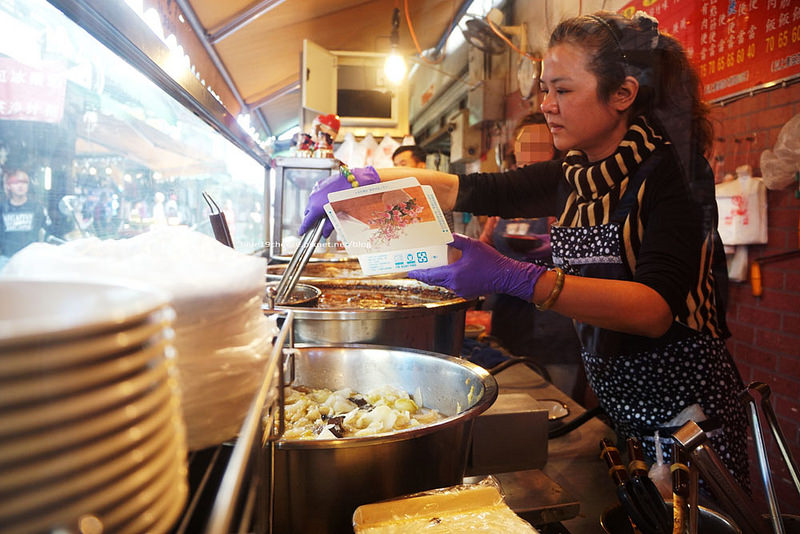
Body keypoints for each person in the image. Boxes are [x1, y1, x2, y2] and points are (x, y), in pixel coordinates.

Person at [299, 11, 750, 491]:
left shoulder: (673, 175)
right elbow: (469, 189)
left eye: (562, 90)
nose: (547, 104)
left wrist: (514, 277)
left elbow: (653, 311)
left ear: (622, 94)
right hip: (622, 405)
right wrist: (362, 183)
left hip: (689, 413)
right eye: (543, 89)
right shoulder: (575, 174)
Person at [479, 112, 584, 401]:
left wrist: (558, 247)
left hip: (556, 331)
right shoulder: (504, 203)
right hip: (507, 327)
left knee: (559, 413)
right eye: (524, 148)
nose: (529, 157)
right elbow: (485, 247)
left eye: (540, 146)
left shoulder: (574, 198)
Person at [392, 145, 455, 232]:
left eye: (403, 164)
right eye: (395, 165)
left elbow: (446, 229)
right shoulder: (398, 192)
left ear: (421, 166)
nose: (397, 169)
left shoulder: (435, 190)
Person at [1, 169, 50, 265]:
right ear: (9, 186)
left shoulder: (37, 208)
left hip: (31, 260)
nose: (20, 186)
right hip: (6, 259)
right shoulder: (2, 209)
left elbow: (47, 232)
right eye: (15, 182)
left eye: (24, 182)